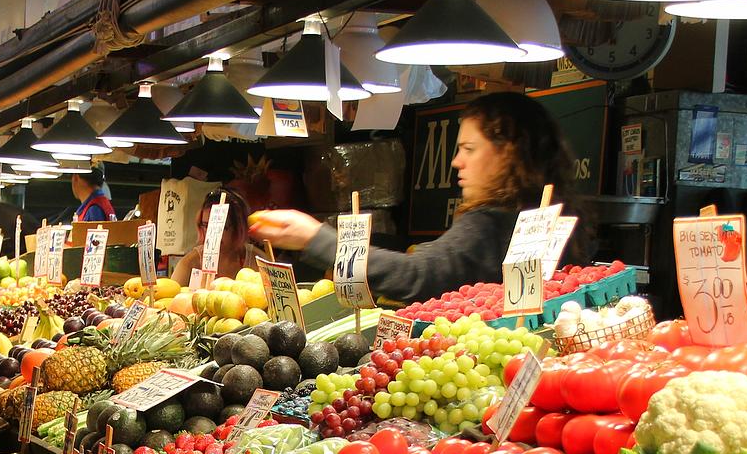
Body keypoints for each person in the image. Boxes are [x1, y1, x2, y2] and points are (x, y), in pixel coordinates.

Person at [250, 91, 585, 303]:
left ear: (509, 153)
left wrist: (314, 237)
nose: (457, 161)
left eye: (469, 149)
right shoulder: (558, 218)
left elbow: (416, 275)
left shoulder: (491, 224)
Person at [171, 188, 264, 285]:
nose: (212, 233)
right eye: (206, 225)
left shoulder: (257, 261)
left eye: (221, 227)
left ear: (238, 227)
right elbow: (169, 296)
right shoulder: (190, 263)